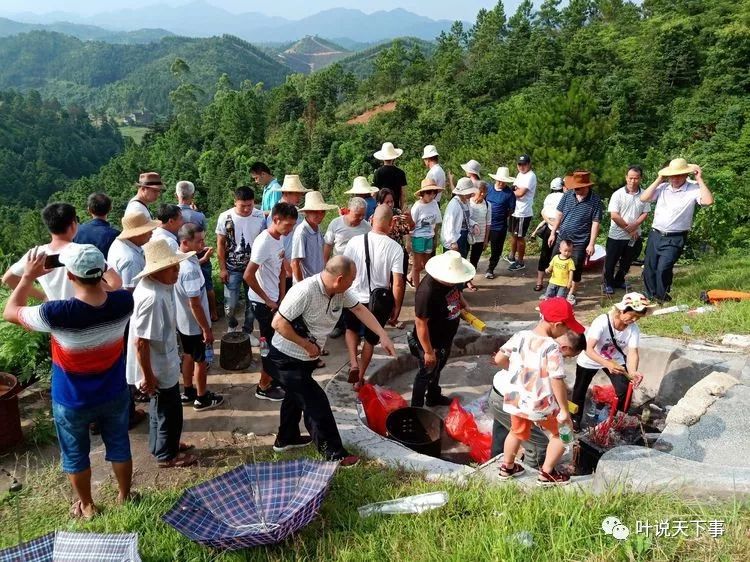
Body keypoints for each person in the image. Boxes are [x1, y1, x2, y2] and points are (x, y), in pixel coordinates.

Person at [4, 244, 135, 518]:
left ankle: (87, 505)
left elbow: (10, 311)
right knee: (119, 443)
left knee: (75, 453)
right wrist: (104, 270)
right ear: (101, 272)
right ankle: (125, 495)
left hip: (71, 398)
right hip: (113, 390)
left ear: (70, 276)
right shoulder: (124, 302)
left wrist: (28, 276)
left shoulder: (57, 313)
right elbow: (115, 284)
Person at [265, 256, 397, 466]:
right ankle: (334, 454)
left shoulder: (339, 293)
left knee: (295, 396)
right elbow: (278, 323)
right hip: (286, 358)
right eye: (352, 279)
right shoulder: (304, 291)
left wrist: (383, 335)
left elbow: (360, 310)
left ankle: (286, 438)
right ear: (340, 278)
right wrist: (307, 345)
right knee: (316, 402)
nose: (354, 283)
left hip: (306, 359)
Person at [492, 297, 586, 485]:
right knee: (563, 435)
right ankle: (547, 473)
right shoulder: (552, 347)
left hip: (516, 398)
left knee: (516, 432)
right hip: (539, 403)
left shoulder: (521, 336)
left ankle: (507, 467)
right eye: (566, 328)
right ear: (557, 324)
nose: (565, 331)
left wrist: (517, 373)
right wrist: (564, 411)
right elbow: (556, 379)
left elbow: (499, 359)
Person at [127, 239, 198, 469]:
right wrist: (147, 375)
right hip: (155, 364)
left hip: (162, 359)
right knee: (169, 411)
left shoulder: (160, 286)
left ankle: (163, 446)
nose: (177, 272)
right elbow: (141, 343)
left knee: (160, 408)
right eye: (173, 268)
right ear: (157, 271)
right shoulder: (152, 297)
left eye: (177, 267)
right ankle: (167, 455)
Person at [571, 292, 655, 430]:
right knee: (579, 390)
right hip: (591, 358)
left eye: (637, 317)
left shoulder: (633, 329)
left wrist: (633, 372)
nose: (633, 320)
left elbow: (633, 352)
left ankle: (616, 419)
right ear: (621, 310)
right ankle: (574, 420)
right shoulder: (602, 322)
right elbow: (588, 348)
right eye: (632, 315)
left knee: (623, 388)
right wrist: (605, 363)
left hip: (614, 359)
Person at [3, 203, 121, 301]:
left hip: (57, 317)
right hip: (89, 315)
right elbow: (115, 282)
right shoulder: (84, 252)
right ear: (73, 224)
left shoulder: (36, 254)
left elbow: (8, 279)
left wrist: (44, 297)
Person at [343, 206, 405, 388]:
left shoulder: (354, 241)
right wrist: (396, 307)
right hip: (377, 302)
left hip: (353, 297)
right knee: (371, 339)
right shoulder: (394, 248)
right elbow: (398, 282)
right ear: (391, 222)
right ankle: (360, 378)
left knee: (351, 329)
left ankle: (353, 362)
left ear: (372, 220)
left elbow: (345, 268)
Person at [245, 202, 299, 402]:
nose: (290, 229)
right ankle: (263, 386)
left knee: (276, 343)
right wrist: (267, 299)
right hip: (262, 303)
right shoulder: (263, 242)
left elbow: (281, 272)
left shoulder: (279, 239)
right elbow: (248, 275)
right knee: (268, 344)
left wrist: (282, 297)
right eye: (288, 225)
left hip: (275, 301)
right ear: (276, 220)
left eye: (293, 225)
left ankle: (273, 377)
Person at [640, 158, 714, 303]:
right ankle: (650, 295)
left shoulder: (693, 188)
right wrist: (659, 179)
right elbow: (644, 198)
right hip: (656, 234)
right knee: (649, 268)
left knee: (664, 267)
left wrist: (699, 179)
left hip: (675, 237)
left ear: (686, 175)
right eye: (672, 175)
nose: (675, 178)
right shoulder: (662, 187)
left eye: (679, 175)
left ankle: (661, 297)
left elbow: (708, 201)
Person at [409, 251, 473, 407]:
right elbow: (420, 323)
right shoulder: (427, 292)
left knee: (437, 370)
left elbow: (456, 292)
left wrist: (463, 304)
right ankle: (416, 408)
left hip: (445, 338)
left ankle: (433, 396)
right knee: (425, 373)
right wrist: (428, 351)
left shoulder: (452, 282)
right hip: (431, 343)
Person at [176, 223, 223, 412]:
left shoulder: (180, 259)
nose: (203, 243)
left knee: (188, 355)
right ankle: (202, 397)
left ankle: (188, 391)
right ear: (185, 242)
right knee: (200, 360)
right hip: (195, 325)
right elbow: (194, 303)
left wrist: (203, 258)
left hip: (183, 322)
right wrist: (206, 329)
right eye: (199, 240)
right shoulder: (189, 270)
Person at [216, 186, 266, 341]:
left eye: (249, 205)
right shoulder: (225, 217)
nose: (246, 209)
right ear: (235, 202)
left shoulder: (259, 216)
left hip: (254, 267)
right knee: (230, 304)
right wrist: (222, 268)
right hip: (232, 268)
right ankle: (232, 324)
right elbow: (220, 244)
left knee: (252, 302)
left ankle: (248, 331)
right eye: (242, 206)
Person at [547, 170, 603, 306]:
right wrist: (553, 232)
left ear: (587, 186)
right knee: (555, 263)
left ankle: (571, 294)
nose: (576, 190)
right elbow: (559, 214)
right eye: (575, 188)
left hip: (580, 241)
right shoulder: (567, 195)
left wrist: (591, 243)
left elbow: (596, 223)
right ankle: (554, 291)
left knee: (576, 268)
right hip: (562, 237)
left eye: (579, 188)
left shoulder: (595, 201)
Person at [324, 197, 371, 339]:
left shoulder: (366, 227)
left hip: (357, 271)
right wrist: (326, 267)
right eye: (358, 215)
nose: (361, 218)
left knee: (355, 298)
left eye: (364, 214)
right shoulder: (336, 224)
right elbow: (328, 246)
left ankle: (356, 328)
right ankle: (338, 326)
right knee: (336, 299)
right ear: (349, 210)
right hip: (337, 269)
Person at [603, 166, 651, 295]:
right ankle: (608, 283)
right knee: (611, 261)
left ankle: (619, 281)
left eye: (636, 178)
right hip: (616, 235)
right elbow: (614, 215)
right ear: (626, 178)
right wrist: (629, 229)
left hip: (634, 236)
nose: (633, 181)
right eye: (630, 178)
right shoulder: (618, 194)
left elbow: (645, 213)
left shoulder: (644, 193)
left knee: (627, 261)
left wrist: (635, 225)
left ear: (640, 178)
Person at [175, 180, 217, 321]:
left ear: (177, 195)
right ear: (192, 195)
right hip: (199, 253)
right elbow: (201, 233)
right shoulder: (199, 216)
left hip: (180, 254)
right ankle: (213, 313)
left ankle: (189, 316)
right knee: (207, 285)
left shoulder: (174, 214)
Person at [269, 175, 309, 292]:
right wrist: (288, 268)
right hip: (285, 269)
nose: (300, 197)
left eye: (300, 194)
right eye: (296, 194)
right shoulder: (277, 213)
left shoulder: (297, 212)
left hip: (296, 266)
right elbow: (275, 243)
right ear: (286, 193)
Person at [291, 191, 338, 283]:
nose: (320, 215)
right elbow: (295, 263)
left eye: (322, 212)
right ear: (306, 212)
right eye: (315, 212)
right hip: (306, 282)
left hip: (317, 280)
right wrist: (302, 286)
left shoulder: (317, 227)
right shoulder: (302, 232)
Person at [376, 187, 414, 300]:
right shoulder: (376, 217)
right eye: (387, 202)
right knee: (385, 282)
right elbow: (379, 236)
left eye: (391, 201)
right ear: (379, 203)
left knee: (399, 282)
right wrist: (391, 225)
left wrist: (409, 220)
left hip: (400, 252)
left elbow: (407, 229)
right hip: (384, 254)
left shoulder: (397, 212)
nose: (390, 204)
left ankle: (397, 307)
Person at [107, 214, 160, 291]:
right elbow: (131, 291)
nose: (152, 233)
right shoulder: (131, 259)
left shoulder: (119, 242)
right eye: (148, 230)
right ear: (138, 234)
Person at [532, 177, 565, 291]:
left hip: (549, 228)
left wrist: (550, 222)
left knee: (544, 255)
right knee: (560, 257)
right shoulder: (566, 197)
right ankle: (555, 283)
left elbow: (543, 212)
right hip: (561, 230)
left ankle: (539, 282)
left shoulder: (548, 197)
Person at [410, 179, 443, 290]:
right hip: (418, 236)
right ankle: (418, 289)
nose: (432, 195)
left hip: (430, 236)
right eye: (429, 192)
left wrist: (436, 238)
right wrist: (408, 241)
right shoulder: (417, 206)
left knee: (427, 265)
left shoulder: (434, 204)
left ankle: (425, 285)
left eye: (434, 192)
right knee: (417, 266)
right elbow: (411, 225)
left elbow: (437, 221)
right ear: (422, 193)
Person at [507, 154, 538, 271]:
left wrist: (509, 191)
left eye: (524, 164)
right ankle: (512, 256)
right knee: (513, 235)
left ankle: (520, 261)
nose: (521, 166)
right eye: (519, 164)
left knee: (519, 237)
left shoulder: (530, 176)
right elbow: (515, 188)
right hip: (515, 210)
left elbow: (520, 193)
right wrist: (513, 190)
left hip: (523, 212)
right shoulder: (520, 174)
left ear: (529, 164)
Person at [485, 167, 516, 279]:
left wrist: (502, 216)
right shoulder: (488, 189)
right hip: (485, 224)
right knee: (478, 246)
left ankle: (491, 268)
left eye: (503, 181)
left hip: (499, 226)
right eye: (499, 180)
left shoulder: (509, 194)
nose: (501, 183)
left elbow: (511, 210)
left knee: (496, 249)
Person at [441, 178, 478, 259]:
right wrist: (452, 241)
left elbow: (466, 218)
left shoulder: (466, 202)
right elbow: (449, 224)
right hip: (455, 237)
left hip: (464, 236)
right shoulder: (454, 204)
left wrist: (474, 224)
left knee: (461, 261)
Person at [373, 142, 407, 210]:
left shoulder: (378, 172)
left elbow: (374, 193)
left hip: (382, 207)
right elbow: (403, 194)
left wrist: (375, 208)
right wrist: (402, 208)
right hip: (395, 206)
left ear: (383, 158)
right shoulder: (400, 173)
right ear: (394, 158)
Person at [468, 181, 491, 281]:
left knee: (474, 260)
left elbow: (488, 223)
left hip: (480, 237)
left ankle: (469, 280)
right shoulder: (468, 202)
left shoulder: (487, 205)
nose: (482, 194)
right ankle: (463, 281)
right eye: (480, 191)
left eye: (484, 192)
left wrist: (486, 239)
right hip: (468, 236)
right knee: (464, 258)